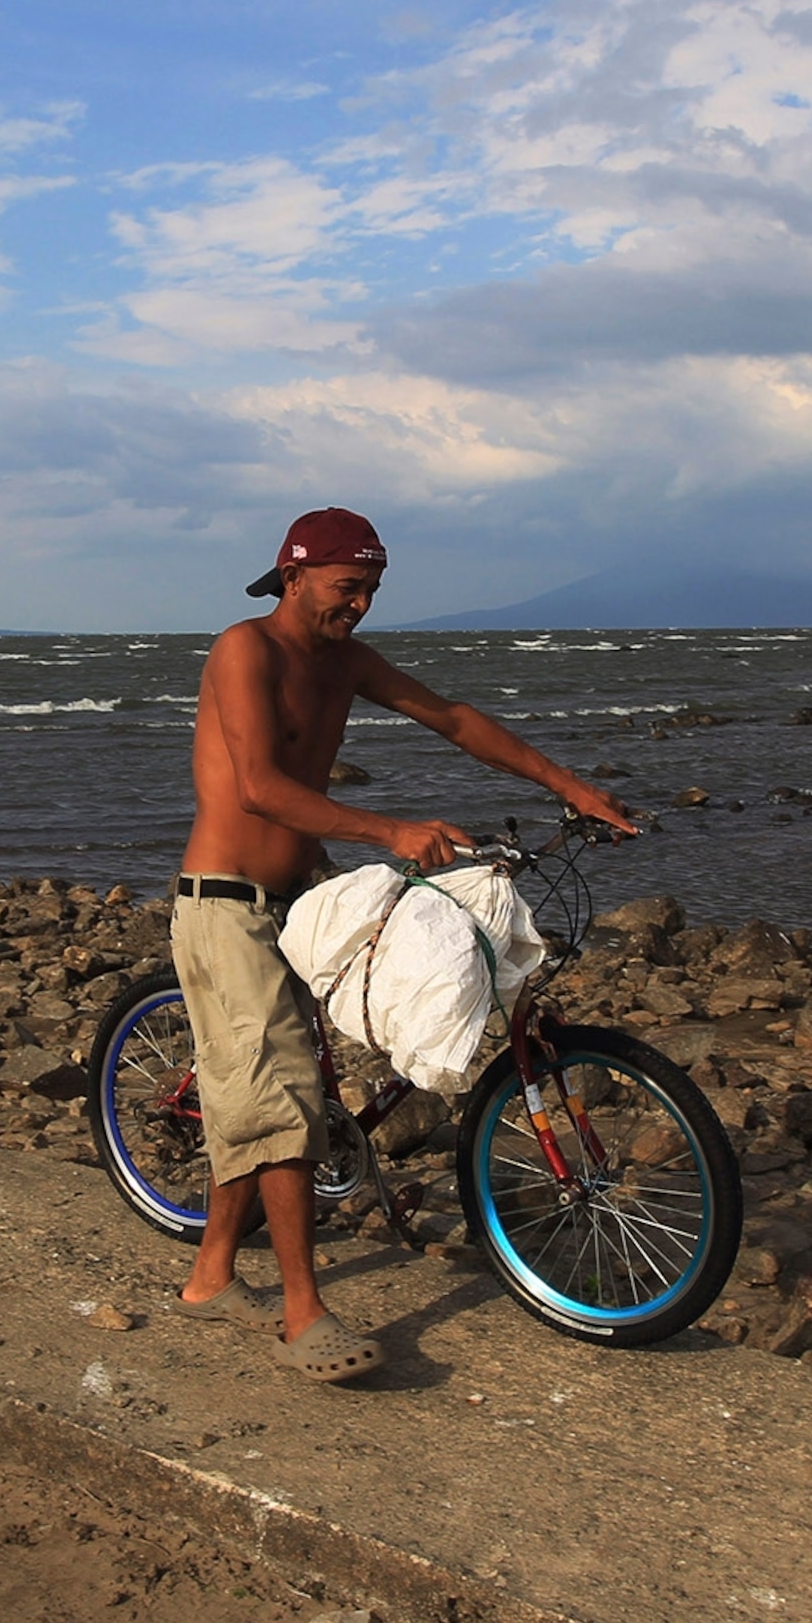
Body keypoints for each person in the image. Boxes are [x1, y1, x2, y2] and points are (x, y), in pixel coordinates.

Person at [169, 507, 636, 1383]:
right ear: (295, 574)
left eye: (373, 590)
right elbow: (262, 788)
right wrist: (389, 829)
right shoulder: (247, 650)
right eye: (350, 587)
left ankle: (210, 1277)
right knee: (284, 1093)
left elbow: (452, 717)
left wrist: (572, 787)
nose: (361, 605)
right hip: (228, 906)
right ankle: (305, 1315)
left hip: (305, 898)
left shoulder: (346, 662)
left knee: (278, 1082)